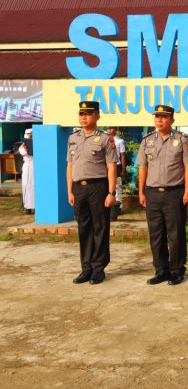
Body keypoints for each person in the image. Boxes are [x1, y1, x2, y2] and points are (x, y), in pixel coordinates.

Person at [137, 105, 188, 285]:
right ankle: (161, 270)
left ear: (172, 120)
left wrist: (187, 190)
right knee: (156, 233)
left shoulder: (183, 140)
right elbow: (143, 167)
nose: (159, 120)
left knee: (175, 233)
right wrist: (141, 191)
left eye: (163, 117)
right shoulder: (147, 141)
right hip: (152, 193)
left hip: (174, 193)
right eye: (157, 117)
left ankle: (177, 270)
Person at [67, 101, 117, 285]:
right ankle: (86, 268)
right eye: (81, 114)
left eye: (88, 114)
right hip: (79, 188)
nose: (83, 117)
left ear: (97, 116)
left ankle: (98, 268)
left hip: (98, 187)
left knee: (100, 227)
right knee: (83, 228)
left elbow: (112, 166)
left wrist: (112, 192)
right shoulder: (73, 138)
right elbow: (70, 166)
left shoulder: (105, 139)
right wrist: (70, 190)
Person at [105, 126, 126, 220]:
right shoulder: (104, 139)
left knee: (118, 186)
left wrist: (123, 168)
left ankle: (119, 206)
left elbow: (122, 156)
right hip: (106, 165)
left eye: (112, 128)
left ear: (116, 130)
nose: (109, 130)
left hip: (117, 165)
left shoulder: (120, 141)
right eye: (108, 128)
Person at [19, 128, 34, 214]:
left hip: (36, 166)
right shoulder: (22, 146)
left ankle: (36, 206)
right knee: (27, 187)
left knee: (35, 187)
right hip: (28, 166)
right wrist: (27, 147)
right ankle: (28, 207)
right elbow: (24, 152)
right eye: (29, 134)